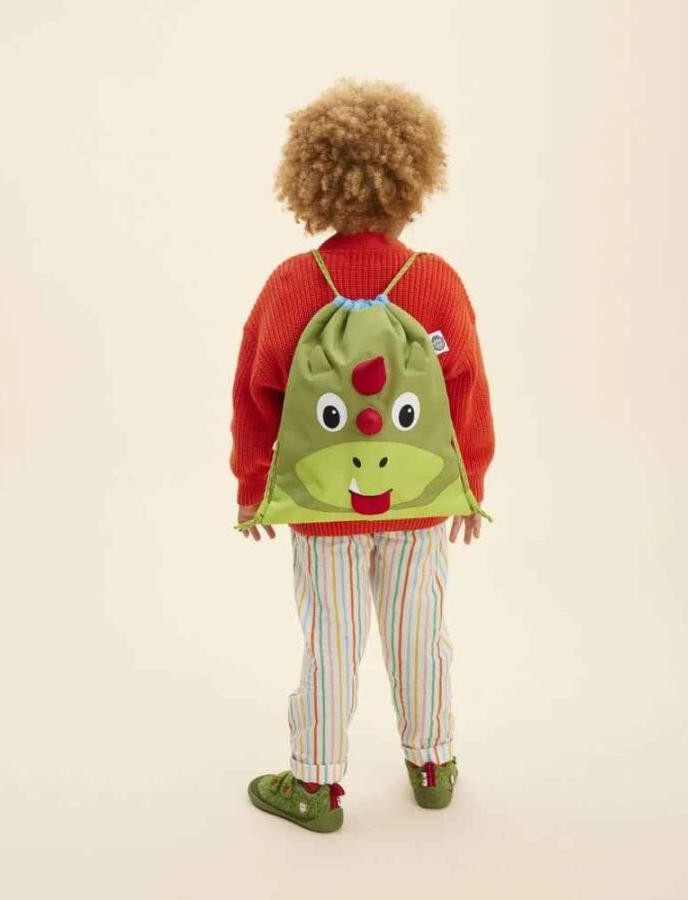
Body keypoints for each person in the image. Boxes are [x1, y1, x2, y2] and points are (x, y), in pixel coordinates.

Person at [230, 79, 495, 832]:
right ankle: (433, 764)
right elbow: (467, 390)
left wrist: (254, 487)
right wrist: (469, 484)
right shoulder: (435, 281)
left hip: (323, 511)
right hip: (418, 506)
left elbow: (256, 391)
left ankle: (314, 784)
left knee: (332, 644)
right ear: (412, 184)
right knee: (420, 635)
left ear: (314, 184)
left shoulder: (291, 285)